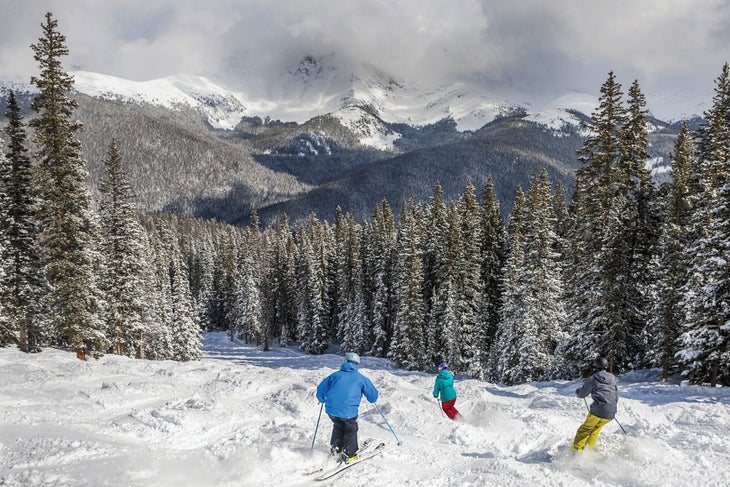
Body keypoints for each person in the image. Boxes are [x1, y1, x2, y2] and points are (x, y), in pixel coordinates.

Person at [316, 352, 378, 464]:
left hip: (332, 410)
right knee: (351, 429)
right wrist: (372, 399)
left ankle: (336, 449)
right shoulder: (361, 379)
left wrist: (321, 399)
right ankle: (350, 454)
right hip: (349, 412)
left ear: (345, 362)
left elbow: (321, 389)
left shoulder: (334, 376)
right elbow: (373, 397)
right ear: (357, 364)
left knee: (338, 425)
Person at [572, 356, 618, 452]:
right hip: (611, 412)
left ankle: (575, 453)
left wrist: (577, 392)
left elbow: (582, 394)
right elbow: (615, 395)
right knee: (595, 430)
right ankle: (587, 451)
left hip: (598, 410)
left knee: (584, 430)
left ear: (595, 366)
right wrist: (610, 407)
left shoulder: (594, 378)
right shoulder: (612, 378)